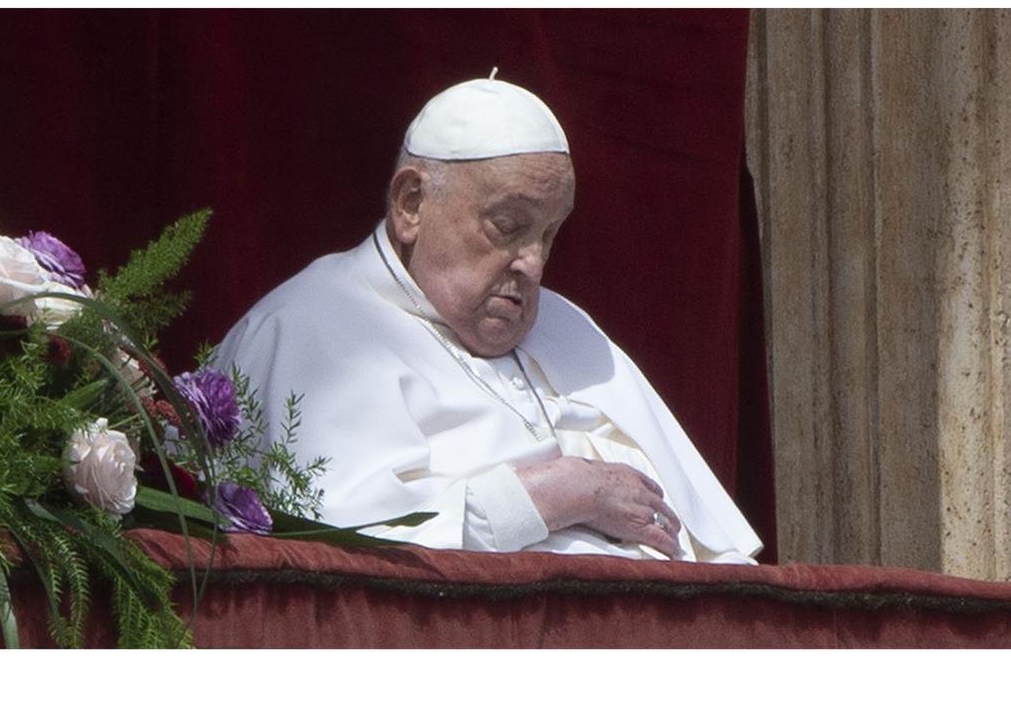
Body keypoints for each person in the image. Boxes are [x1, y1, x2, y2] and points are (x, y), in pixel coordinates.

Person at [214, 74, 762, 563]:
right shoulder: (306, 329)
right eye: (509, 226)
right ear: (411, 204)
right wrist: (556, 495)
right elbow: (349, 554)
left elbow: (714, 551)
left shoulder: (567, 325)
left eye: (549, 233)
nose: (534, 264)